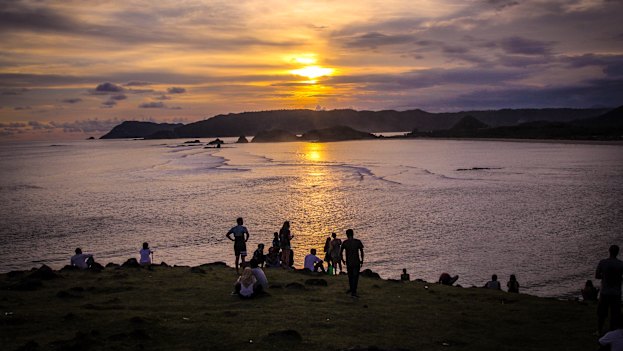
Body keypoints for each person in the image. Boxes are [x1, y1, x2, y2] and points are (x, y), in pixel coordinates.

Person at [596, 245, 623, 335]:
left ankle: (599, 331)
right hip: (616, 293)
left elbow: (597, 276)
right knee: (615, 314)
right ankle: (612, 331)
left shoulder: (603, 262)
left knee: (602, 313)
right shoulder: (621, 264)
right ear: (617, 252)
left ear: (609, 251)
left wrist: (604, 276)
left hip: (605, 292)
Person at [341, 229, 364, 298]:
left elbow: (340, 252)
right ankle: (353, 291)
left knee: (350, 276)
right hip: (356, 262)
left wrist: (343, 260)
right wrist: (362, 260)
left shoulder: (345, 242)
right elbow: (361, 251)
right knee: (355, 277)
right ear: (353, 234)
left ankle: (352, 290)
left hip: (349, 262)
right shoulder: (357, 242)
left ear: (347, 235)